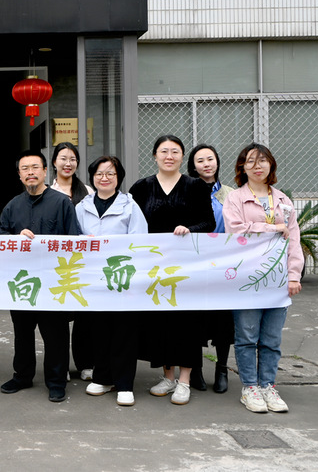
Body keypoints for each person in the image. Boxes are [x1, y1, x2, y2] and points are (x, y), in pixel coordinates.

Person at [129, 135, 215, 406]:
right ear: (154, 155)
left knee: (187, 321)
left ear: (182, 156)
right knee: (159, 321)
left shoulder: (195, 186)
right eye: (164, 151)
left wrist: (190, 229)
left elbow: (209, 223)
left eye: (175, 151)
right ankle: (167, 377)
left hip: (186, 267)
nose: (169, 156)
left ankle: (185, 380)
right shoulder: (141, 187)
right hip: (153, 267)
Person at [223, 143, 302, 413]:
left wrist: (294, 275)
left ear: (271, 165)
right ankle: (250, 388)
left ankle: (268, 385)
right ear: (242, 167)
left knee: (271, 339)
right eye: (251, 162)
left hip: (278, 281)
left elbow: (293, 239)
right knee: (246, 336)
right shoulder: (235, 199)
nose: (257, 166)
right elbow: (236, 230)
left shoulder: (283, 200)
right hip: (247, 279)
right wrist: (272, 228)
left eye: (263, 161)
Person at [0, 150, 81, 403]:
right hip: (22, 281)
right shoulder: (12, 206)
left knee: (55, 335)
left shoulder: (62, 203)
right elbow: (0, 242)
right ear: (19, 175)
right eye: (25, 169)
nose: (30, 172)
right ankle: (22, 376)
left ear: (46, 171)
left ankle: (56, 382)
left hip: (52, 282)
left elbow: (74, 241)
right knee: (22, 333)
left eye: (35, 167)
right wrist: (15, 239)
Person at [76, 156, 148, 406]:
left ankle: (124, 384)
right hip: (94, 281)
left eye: (110, 173)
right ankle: (103, 377)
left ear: (118, 178)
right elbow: (74, 239)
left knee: (124, 331)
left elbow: (140, 242)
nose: (104, 178)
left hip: (122, 278)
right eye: (99, 173)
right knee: (99, 330)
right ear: (92, 177)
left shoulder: (130, 206)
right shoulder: (82, 206)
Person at [187, 144, 235, 393]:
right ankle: (194, 369)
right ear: (193, 166)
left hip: (224, 263)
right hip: (195, 261)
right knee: (195, 316)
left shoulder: (230, 194)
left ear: (217, 162)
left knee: (223, 318)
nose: (206, 164)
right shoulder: (187, 191)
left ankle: (222, 368)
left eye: (210, 159)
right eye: (200, 160)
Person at [50, 142, 94, 382]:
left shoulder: (87, 191)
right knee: (58, 319)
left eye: (73, 159)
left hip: (83, 262)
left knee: (84, 317)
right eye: (63, 158)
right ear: (54, 162)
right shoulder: (48, 191)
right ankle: (61, 366)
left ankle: (86, 363)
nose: (68, 164)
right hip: (57, 263)